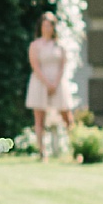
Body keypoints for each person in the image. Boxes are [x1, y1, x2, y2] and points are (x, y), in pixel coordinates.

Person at [26, 12, 75, 160]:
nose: (47, 28)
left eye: (50, 25)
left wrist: (55, 83)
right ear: (41, 27)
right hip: (40, 82)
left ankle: (75, 148)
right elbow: (35, 66)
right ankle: (42, 152)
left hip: (58, 82)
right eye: (45, 25)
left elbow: (62, 65)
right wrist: (47, 83)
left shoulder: (60, 45)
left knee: (67, 116)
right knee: (40, 119)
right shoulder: (35, 45)